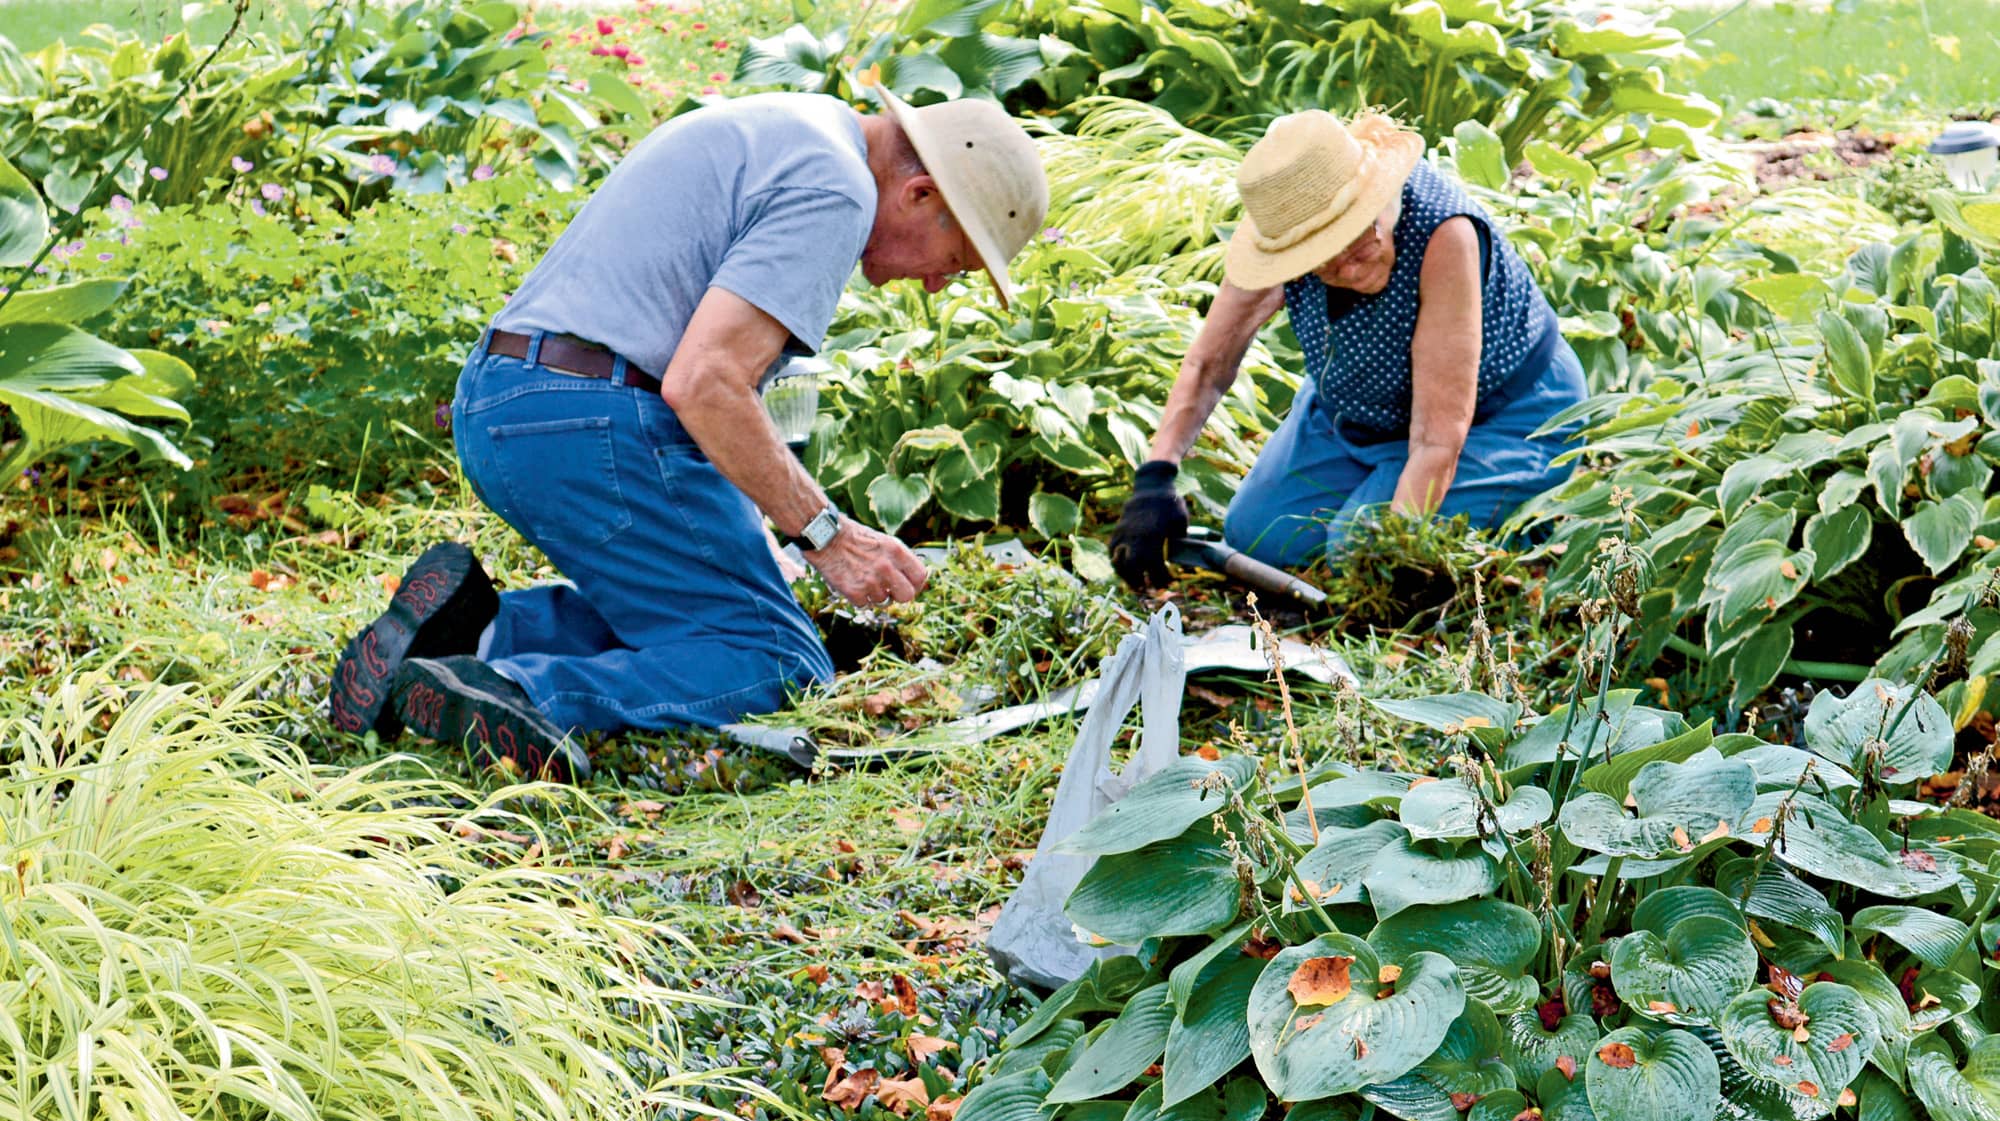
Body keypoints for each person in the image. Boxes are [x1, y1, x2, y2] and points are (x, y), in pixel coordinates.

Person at [328, 87, 1048, 782]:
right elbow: (704, 383)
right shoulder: (838, 190)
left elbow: (707, 383)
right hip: (591, 420)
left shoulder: (795, 127)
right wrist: (826, 535)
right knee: (774, 657)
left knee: (703, 615)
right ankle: (515, 688)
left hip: (506, 400)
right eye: (955, 265)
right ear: (920, 194)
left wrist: (764, 546)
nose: (934, 287)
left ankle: (469, 629)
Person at [1109, 109, 1588, 589]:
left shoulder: (1445, 235)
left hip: (1504, 418)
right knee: (1258, 537)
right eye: (1324, 258)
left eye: (1357, 236)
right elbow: (1208, 363)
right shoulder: (1280, 231)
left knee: (1360, 553)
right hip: (1359, 413)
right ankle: (1381, 488)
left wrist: (1400, 550)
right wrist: (1155, 478)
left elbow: (1439, 437)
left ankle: (1522, 515)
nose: (1351, 266)